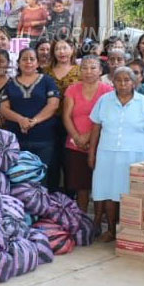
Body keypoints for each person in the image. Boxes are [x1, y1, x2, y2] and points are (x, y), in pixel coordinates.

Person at [89, 67, 144, 241]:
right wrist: (91, 153)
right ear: (112, 82)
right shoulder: (104, 101)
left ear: (134, 82)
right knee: (108, 193)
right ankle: (112, 231)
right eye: (118, 80)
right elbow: (96, 128)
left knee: (131, 194)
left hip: (136, 156)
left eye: (127, 80)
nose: (122, 84)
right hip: (107, 154)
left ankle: (132, 233)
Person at [0, 49, 61, 187]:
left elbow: (53, 104)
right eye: (24, 59)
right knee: (17, 177)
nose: (28, 62)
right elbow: (4, 108)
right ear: (18, 63)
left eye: (32, 59)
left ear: (37, 62)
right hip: (17, 140)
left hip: (43, 139)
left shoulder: (47, 81)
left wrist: (34, 121)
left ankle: (40, 206)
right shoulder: (10, 84)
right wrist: (21, 120)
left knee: (41, 177)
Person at [62, 55, 112, 211]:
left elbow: (106, 118)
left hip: (100, 144)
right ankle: (81, 222)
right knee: (81, 186)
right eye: (84, 68)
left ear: (100, 70)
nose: (88, 71)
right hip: (75, 144)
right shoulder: (72, 89)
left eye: (93, 68)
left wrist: (88, 137)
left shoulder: (108, 90)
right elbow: (66, 116)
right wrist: (77, 137)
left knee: (100, 186)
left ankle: (97, 222)